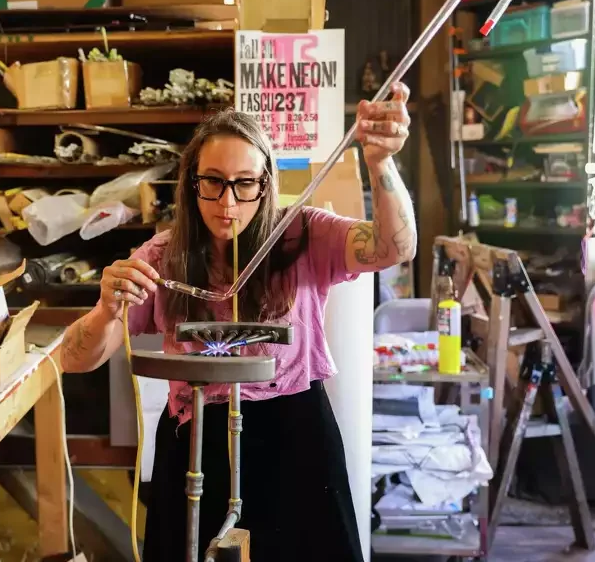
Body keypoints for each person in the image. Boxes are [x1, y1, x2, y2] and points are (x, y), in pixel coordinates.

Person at [59, 83, 415, 562]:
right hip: (197, 437)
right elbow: (76, 357)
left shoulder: (304, 234)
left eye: (245, 183)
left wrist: (381, 164)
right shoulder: (163, 256)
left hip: (295, 433)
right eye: (214, 182)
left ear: (265, 182)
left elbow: (394, 248)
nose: (228, 203)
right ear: (192, 182)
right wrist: (106, 310)